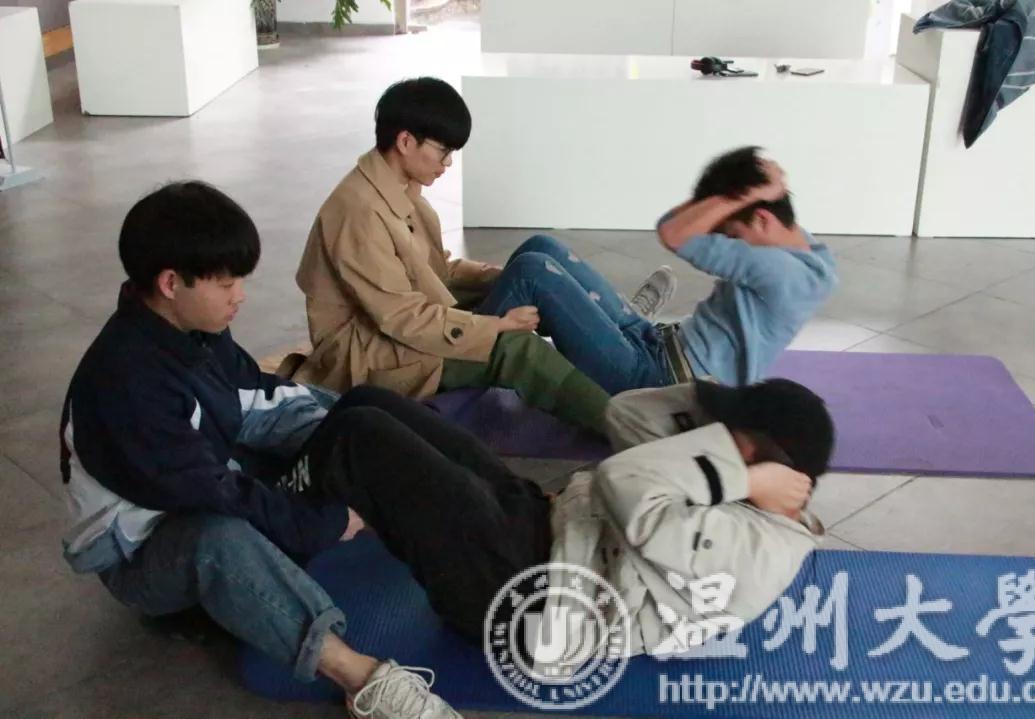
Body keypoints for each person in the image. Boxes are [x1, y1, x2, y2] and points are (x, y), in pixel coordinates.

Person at [59, 181, 462, 719]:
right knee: (219, 538)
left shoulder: (189, 329)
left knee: (358, 413)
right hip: (142, 552)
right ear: (171, 283)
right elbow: (214, 493)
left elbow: (254, 398)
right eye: (226, 283)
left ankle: (501, 507)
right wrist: (320, 523)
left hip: (200, 479)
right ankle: (362, 678)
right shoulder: (128, 385)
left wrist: (344, 427)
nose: (240, 296)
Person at [304, 377, 834, 656]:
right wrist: (716, 402)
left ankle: (279, 519)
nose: (709, 440)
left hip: (528, 601)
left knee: (363, 434)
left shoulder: (755, 553)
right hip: (547, 526)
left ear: (760, 459)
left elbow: (624, 482)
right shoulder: (737, 476)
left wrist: (740, 476)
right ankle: (297, 478)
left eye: (726, 436)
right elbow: (624, 414)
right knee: (370, 402)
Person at [292, 77, 674, 434]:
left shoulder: (396, 185)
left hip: (402, 323)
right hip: (375, 355)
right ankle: (636, 423)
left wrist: (512, 278)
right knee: (516, 348)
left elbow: (433, 270)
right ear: (406, 141)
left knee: (539, 255)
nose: (448, 163)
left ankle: (642, 338)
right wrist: (495, 327)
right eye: (443, 151)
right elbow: (403, 319)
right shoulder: (360, 212)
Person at [477, 146, 838, 394]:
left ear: (760, 218)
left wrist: (743, 194)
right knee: (543, 246)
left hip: (657, 382)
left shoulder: (779, 271)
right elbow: (674, 225)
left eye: (731, 235)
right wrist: (738, 191)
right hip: (658, 342)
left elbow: (673, 233)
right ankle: (479, 329)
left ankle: (460, 358)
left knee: (533, 271)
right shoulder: (810, 253)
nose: (727, 242)